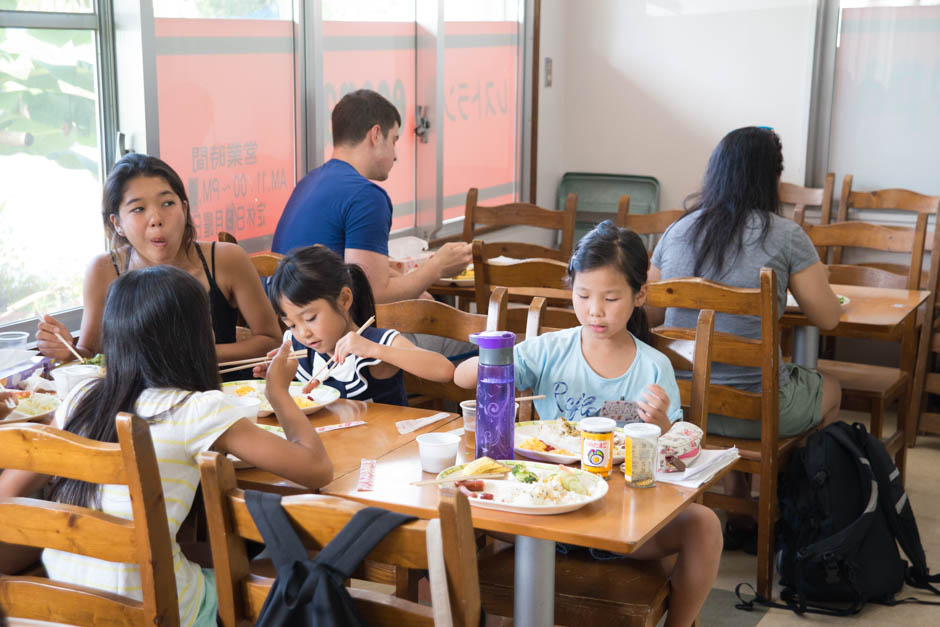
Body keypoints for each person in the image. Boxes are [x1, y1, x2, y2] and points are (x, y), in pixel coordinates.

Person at [0, 265, 333, 627]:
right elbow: (316, 469)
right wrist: (278, 392)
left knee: (198, 552)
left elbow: (7, 497)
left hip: (61, 607)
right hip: (155, 611)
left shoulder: (79, 398)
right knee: (276, 586)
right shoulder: (195, 409)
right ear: (193, 337)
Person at [454, 221, 722, 626]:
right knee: (446, 507)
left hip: (620, 516)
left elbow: (679, 454)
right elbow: (462, 378)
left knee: (704, 525)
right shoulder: (550, 350)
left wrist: (663, 425)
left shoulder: (653, 367)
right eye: (583, 296)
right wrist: (491, 357)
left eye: (611, 298)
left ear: (639, 295)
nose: (595, 310)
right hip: (541, 507)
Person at [648, 126, 842, 548]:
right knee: (832, 388)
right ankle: (785, 506)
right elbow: (826, 318)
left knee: (725, 375)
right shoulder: (786, 235)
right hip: (758, 413)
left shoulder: (677, 232)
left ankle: (737, 508)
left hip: (681, 406)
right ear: (770, 178)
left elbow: (652, 312)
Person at [35, 153, 282, 367]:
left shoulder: (227, 258)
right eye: (138, 209)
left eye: (167, 203)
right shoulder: (104, 270)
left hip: (224, 398)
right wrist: (67, 351)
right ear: (117, 224)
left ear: (184, 209)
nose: (156, 219)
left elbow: (271, 341)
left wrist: (195, 355)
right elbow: (91, 354)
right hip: (137, 409)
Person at [272, 89, 471, 304]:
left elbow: (356, 270)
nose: (395, 156)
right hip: (329, 331)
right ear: (375, 135)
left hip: (290, 323)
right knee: (456, 335)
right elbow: (375, 296)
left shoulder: (308, 182)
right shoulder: (366, 196)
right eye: (394, 141)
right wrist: (437, 267)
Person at [256, 245, 455, 405]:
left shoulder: (375, 343)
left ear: (344, 299)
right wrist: (279, 380)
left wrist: (376, 350)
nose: (303, 333)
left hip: (388, 449)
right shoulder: (299, 350)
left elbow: (444, 370)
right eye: (291, 324)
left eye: (310, 318)